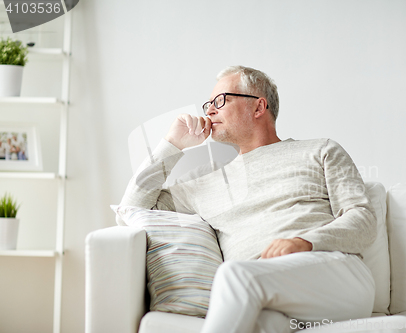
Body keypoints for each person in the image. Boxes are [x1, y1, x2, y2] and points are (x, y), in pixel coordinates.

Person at [119, 66, 377, 333]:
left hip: (334, 276)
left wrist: (303, 242)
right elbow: (132, 208)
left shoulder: (320, 150)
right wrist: (173, 143)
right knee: (261, 324)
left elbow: (363, 219)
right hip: (263, 294)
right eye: (208, 104)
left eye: (221, 101)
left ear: (258, 107)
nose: (209, 111)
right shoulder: (205, 183)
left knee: (234, 275)